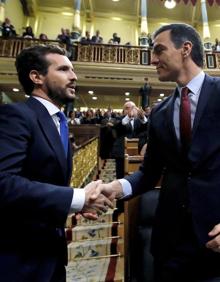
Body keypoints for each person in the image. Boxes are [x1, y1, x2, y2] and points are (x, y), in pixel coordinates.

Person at [96, 23, 220, 282]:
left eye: (159, 50)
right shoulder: (161, 112)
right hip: (171, 245)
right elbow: (148, 173)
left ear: (186, 49)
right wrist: (116, 187)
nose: (152, 59)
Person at [0, 45, 113, 282]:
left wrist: (74, 205)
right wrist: (79, 198)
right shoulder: (16, 116)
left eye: (72, 70)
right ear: (36, 77)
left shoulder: (59, 122)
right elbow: (4, 183)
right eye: (63, 69)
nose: (74, 76)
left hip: (51, 252)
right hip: (19, 258)